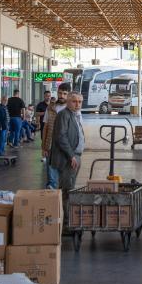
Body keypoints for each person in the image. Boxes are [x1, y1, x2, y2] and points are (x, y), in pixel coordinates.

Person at [49, 92, 85, 225]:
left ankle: (67, 218)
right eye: (74, 101)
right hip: (68, 158)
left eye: (80, 102)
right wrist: (71, 156)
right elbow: (61, 137)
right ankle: (66, 222)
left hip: (75, 156)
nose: (78, 104)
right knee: (67, 188)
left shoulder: (74, 115)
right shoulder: (63, 115)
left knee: (70, 187)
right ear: (68, 102)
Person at [42, 82, 70, 188]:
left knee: (64, 174)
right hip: (50, 145)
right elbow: (46, 127)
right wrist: (43, 146)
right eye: (60, 93)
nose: (61, 96)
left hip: (65, 146)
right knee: (51, 176)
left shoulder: (71, 109)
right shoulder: (50, 108)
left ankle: (62, 198)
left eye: (64, 93)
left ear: (68, 94)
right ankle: (52, 198)